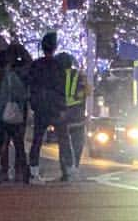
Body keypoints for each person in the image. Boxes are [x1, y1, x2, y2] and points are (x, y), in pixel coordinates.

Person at [28, 31, 66, 183]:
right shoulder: (59, 66)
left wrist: (34, 103)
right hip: (55, 107)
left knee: (37, 140)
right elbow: (61, 87)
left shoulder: (36, 65)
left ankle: (33, 171)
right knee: (63, 139)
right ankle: (66, 170)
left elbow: (31, 85)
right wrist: (63, 107)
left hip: (41, 108)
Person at [0, 47, 28, 184]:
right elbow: (21, 95)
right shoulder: (11, 77)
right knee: (18, 144)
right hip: (9, 116)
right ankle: (23, 173)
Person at [57, 52, 87, 181]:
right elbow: (87, 92)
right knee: (77, 144)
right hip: (78, 115)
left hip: (63, 116)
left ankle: (66, 171)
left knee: (64, 145)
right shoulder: (79, 76)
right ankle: (74, 168)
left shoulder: (57, 77)